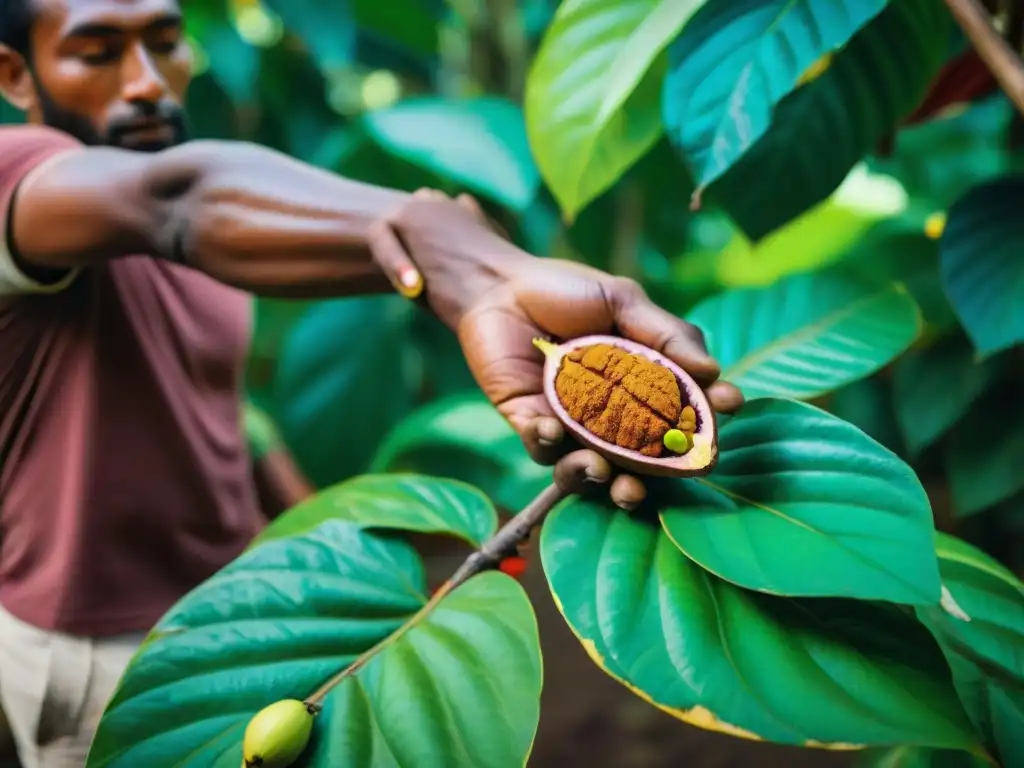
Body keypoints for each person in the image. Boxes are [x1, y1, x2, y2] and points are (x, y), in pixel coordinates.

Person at [0, 0, 744, 764]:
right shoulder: (14, 176)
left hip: (234, 612)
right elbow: (176, 201)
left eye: (165, 43)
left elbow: (227, 412)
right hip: (100, 642)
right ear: (14, 74)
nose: (148, 83)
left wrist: (331, 536)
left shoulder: (210, 249)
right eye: (97, 53)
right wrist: (475, 260)